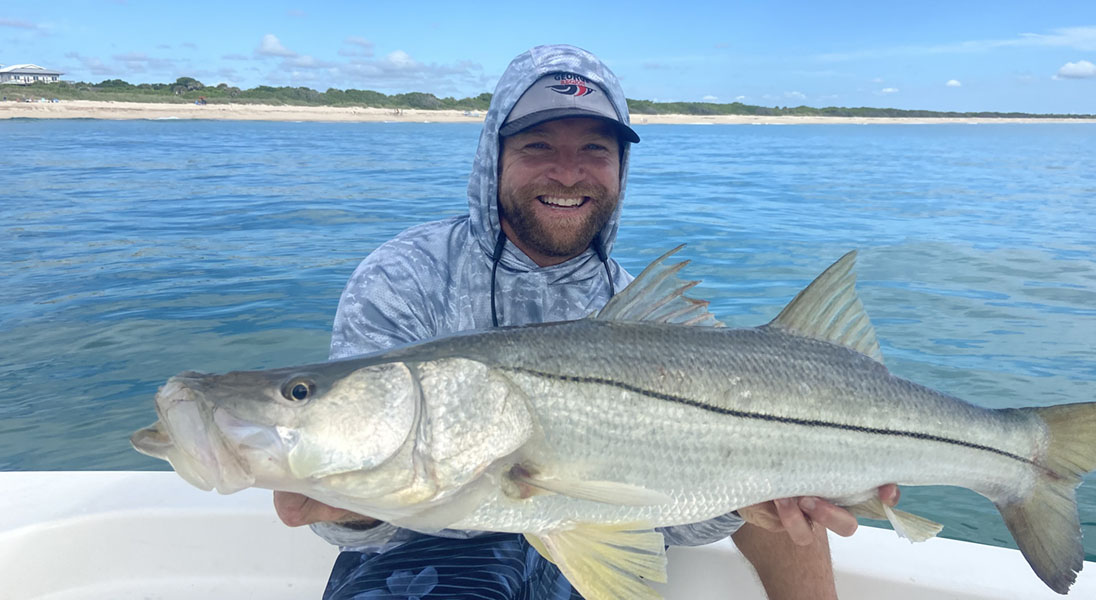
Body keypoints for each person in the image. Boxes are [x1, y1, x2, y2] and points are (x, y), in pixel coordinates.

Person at [274, 44, 898, 600]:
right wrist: (352, 510)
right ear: (494, 157)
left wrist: (747, 504)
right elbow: (350, 531)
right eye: (538, 146)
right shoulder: (403, 276)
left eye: (594, 150)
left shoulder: (646, 315)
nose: (568, 172)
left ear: (621, 170)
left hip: (586, 543)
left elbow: (672, 516)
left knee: (788, 510)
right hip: (428, 548)